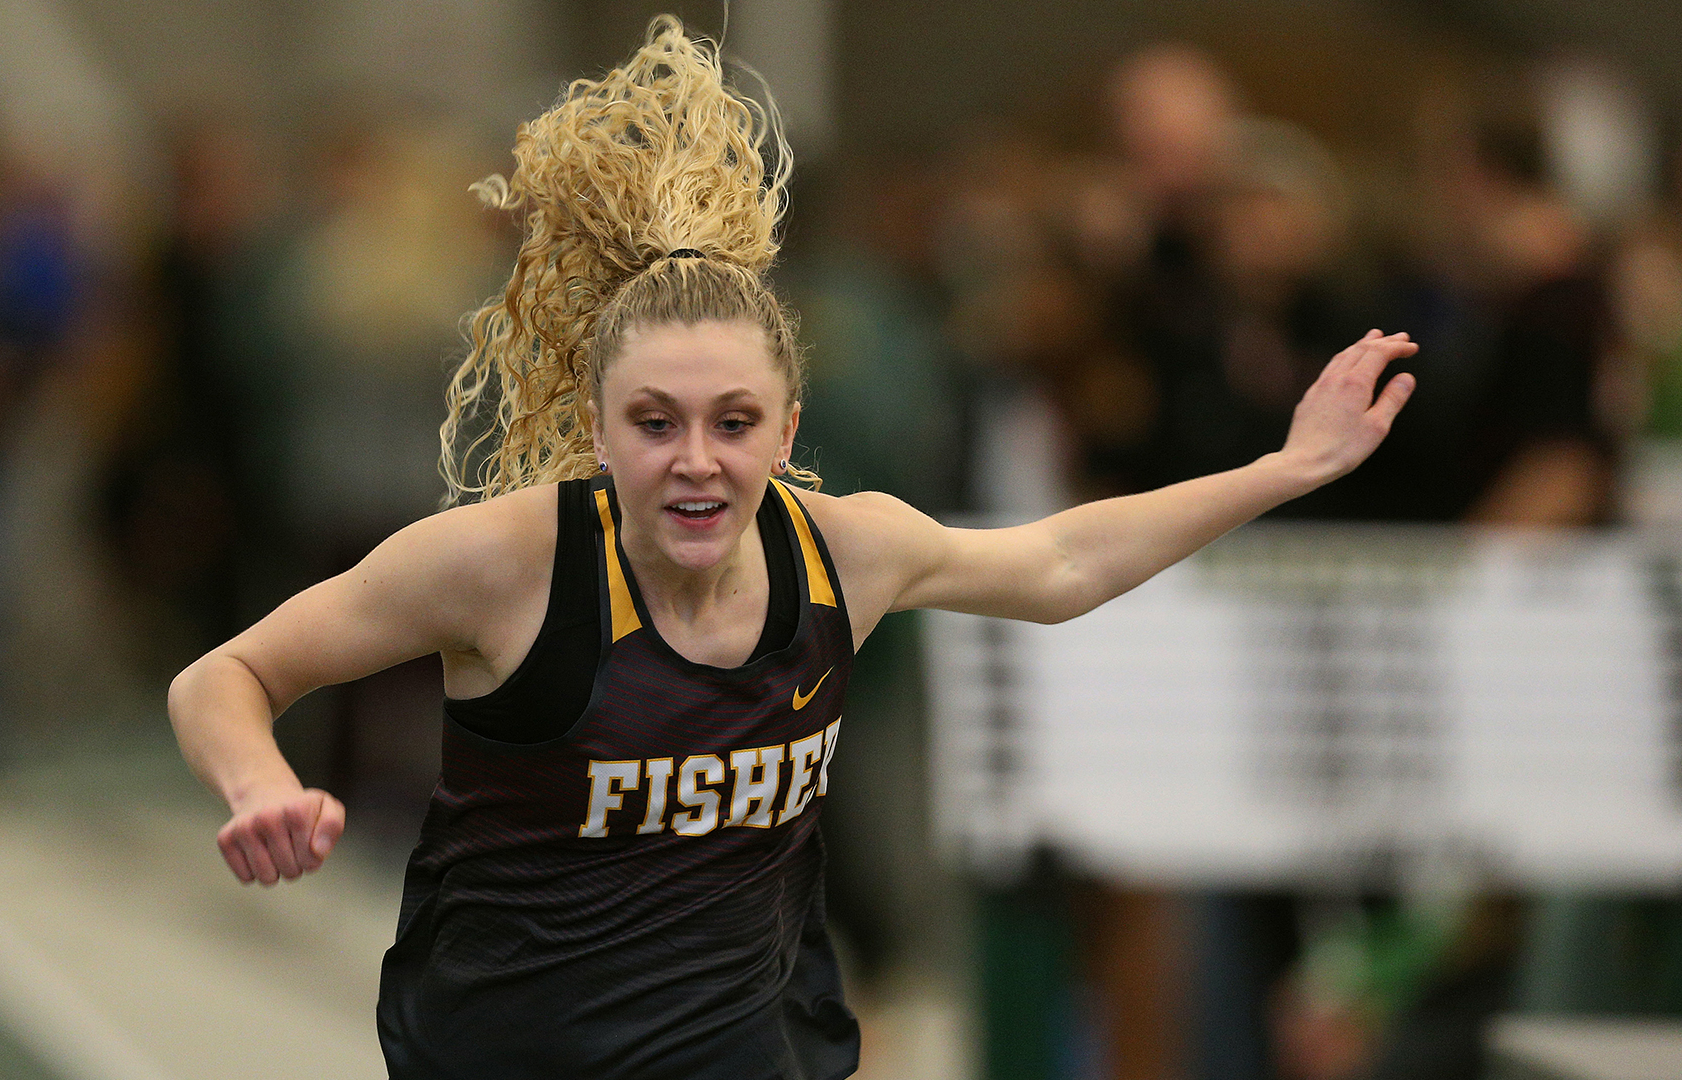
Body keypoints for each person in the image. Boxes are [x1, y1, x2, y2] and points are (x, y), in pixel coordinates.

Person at [165, 17, 1418, 1079]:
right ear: (597, 430)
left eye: (734, 422)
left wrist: (1282, 469)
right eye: (654, 425)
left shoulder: (845, 552)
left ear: (791, 428)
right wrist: (258, 784)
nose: (696, 459)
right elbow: (224, 675)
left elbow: (1062, 564)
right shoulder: (508, 566)